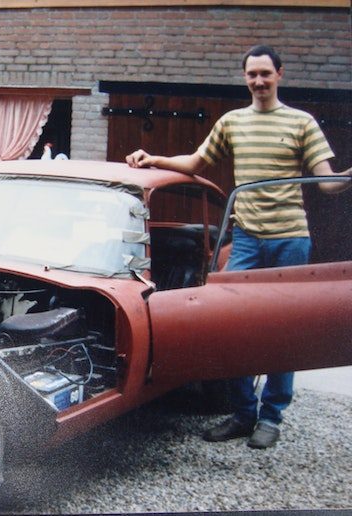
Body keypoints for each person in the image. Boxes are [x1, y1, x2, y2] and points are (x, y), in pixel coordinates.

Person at [126, 44, 351, 449]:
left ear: (280, 74)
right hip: (246, 236)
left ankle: (271, 417)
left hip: (290, 239)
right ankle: (244, 412)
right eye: (252, 75)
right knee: (228, 323)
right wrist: (152, 157)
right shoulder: (232, 122)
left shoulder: (302, 122)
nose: (259, 81)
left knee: (286, 330)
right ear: (245, 78)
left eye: (265, 73)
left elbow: (328, 183)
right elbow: (196, 163)